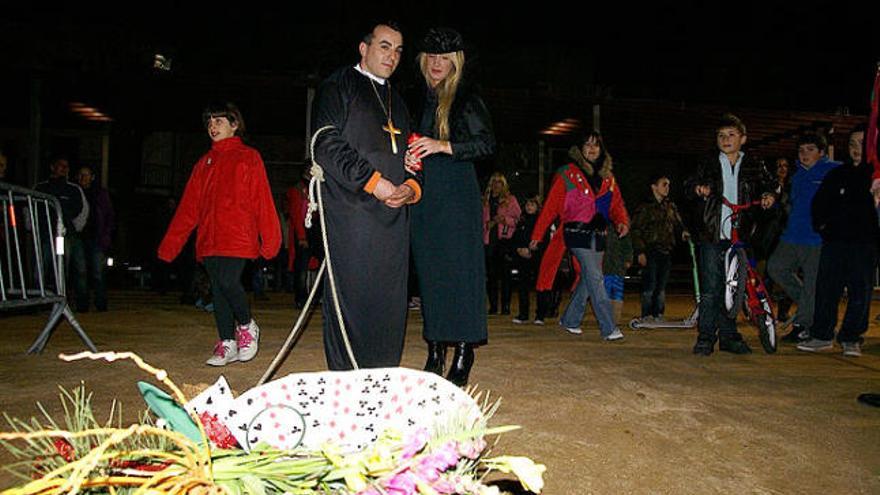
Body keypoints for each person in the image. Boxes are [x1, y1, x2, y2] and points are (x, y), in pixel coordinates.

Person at [311, 22, 422, 370]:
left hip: (393, 218)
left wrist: (409, 186)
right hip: (351, 213)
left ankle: (383, 377)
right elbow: (325, 144)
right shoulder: (338, 86)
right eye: (385, 46)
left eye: (399, 50)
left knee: (389, 304)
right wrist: (376, 183)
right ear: (364, 48)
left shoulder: (399, 102)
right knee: (353, 302)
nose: (393, 56)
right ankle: (349, 382)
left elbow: (411, 157)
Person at [158, 102, 281, 366]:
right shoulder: (204, 163)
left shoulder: (249, 157)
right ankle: (227, 342)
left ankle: (247, 326)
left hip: (238, 237)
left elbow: (262, 200)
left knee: (228, 281)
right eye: (209, 122)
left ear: (235, 124)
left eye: (219, 121)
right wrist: (171, 244)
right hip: (209, 240)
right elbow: (188, 208)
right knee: (217, 290)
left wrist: (271, 240)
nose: (213, 127)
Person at [407, 27, 495, 386]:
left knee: (460, 273)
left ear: (455, 61)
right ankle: (434, 348)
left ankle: (462, 348)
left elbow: (487, 143)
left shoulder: (466, 98)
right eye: (431, 57)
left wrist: (444, 146)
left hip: (457, 194)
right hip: (424, 196)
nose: (437, 63)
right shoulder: (412, 98)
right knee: (430, 274)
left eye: (444, 58)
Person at [686, 113, 775, 356]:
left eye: (731, 135)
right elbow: (689, 185)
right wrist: (698, 188)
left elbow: (770, 184)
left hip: (740, 236)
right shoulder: (708, 162)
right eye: (721, 135)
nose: (726, 139)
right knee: (711, 288)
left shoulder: (754, 164)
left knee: (734, 290)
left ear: (743, 139)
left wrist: (769, 195)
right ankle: (706, 337)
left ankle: (729, 336)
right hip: (712, 234)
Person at [530, 131, 630, 341]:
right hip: (575, 232)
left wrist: (622, 222)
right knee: (595, 277)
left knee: (588, 278)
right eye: (587, 145)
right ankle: (608, 327)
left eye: (596, 145)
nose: (592, 149)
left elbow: (617, 205)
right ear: (580, 149)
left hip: (599, 234)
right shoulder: (567, 173)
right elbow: (550, 207)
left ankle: (570, 319)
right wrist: (537, 235)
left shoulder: (608, 178)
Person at [798, 126, 878, 357]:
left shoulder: (876, 177)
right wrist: (823, 228)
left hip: (865, 244)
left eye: (862, 143)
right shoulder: (837, 174)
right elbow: (819, 205)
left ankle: (851, 338)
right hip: (835, 243)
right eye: (852, 143)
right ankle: (822, 335)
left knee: (860, 293)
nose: (856, 148)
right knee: (827, 290)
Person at [767, 134, 838, 343]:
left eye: (810, 149)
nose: (805, 154)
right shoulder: (796, 175)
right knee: (775, 267)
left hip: (816, 239)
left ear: (822, 152)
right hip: (792, 235)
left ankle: (802, 326)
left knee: (811, 284)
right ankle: (811, 306)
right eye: (801, 150)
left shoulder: (832, 170)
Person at [630, 173, 688, 322]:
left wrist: (683, 232)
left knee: (661, 286)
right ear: (654, 187)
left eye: (668, 184)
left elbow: (678, 224)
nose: (667, 188)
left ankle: (658, 314)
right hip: (650, 250)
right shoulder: (645, 207)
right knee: (650, 284)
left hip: (666, 250)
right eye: (664, 184)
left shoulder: (670, 206)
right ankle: (647, 314)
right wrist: (640, 252)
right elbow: (636, 230)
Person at [34, 157, 89, 290]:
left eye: (66, 166)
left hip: (67, 235)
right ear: (52, 167)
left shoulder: (74, 189)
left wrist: (73, 228)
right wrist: (34, 227)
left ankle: (64, 298)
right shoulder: (41, 188)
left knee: (64, 266)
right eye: (60, 165)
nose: (64, 169)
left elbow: (83, 210)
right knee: (42, 266)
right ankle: (38, 298)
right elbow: (31, 208)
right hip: (46, 234)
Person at [74, 166, 115, 312]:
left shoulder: (100, 194)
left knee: (98, 272)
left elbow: (109, 215)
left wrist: (106, 235)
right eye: (81, 175)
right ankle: (82, 305)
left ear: (92, 176)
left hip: (97, 237)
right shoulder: (75, 191)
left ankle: (101, 303)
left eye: (86, 175)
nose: (83, 178)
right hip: (79, 237)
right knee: (81, 272)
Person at [483, 172, 520, 315]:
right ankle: (492, 306)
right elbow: (479, 221)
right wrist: (487, 224)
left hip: (505, 241)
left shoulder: (510, 200)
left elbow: (519, 220)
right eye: (494, 182)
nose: (496, 185)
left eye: (499, 182)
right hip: (488, 241)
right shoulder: (485, 201)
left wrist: (505, 220)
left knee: (506, 275)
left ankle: (505, 306)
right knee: (491, 276)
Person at [512, 197, 541, 325]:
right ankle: (523, 314)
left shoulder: (541, 221)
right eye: (527, 204)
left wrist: (532, 250)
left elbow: (544, 239)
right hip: (522, 257)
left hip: (536, 257)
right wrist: (518, 249)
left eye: (532, 204)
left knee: (539, 286)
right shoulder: (522, 221)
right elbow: (516, 237)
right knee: (522, 286)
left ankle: (540, 315)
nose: (529, 207)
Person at [602, 227, 633, 327]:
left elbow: (627, 245)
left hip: (618, 266)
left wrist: (628, 259)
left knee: (616, 291)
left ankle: (614, 318)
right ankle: (605, 317)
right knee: (606, 291)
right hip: (606, 266)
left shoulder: (621, 227)